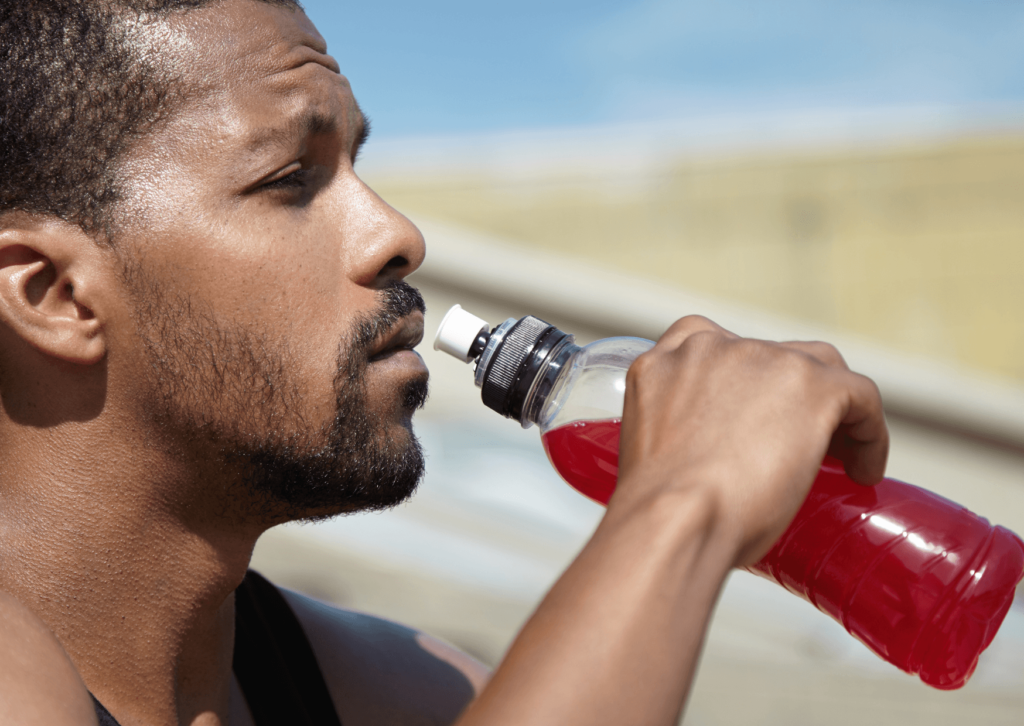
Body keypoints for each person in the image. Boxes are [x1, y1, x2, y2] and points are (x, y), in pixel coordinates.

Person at [0, 1, 889, 725]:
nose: (396, 235)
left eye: (356, 165)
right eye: (289, 179)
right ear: (54, 295)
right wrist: (686, 506)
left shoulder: (393, 689)